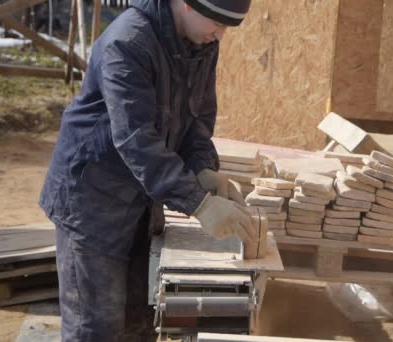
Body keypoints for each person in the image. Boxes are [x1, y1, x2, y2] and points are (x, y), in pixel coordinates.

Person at [38, 0, 253, 340]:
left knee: (139, 319)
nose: (221, 35)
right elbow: (136, 138)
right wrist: (199, 202)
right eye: (216, 22)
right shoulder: (128, 42)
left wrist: (202, 169)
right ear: (184, 4)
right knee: (96, 327)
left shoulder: (202, 40)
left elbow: (196, 119)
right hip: (91, 200)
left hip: (141, 195)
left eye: (229, 27)